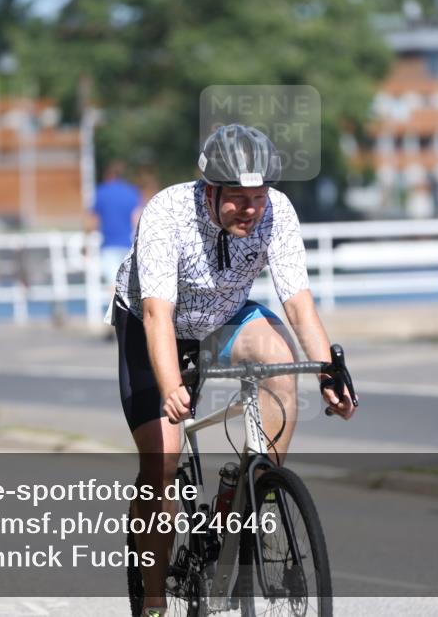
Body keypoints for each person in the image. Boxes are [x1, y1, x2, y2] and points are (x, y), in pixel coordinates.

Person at [110, 124, 356, 617]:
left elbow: (298, 303)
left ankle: (255, 495)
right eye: (238, 198)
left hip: (225, 317)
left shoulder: (277, 213)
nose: (250, 208)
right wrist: (170, 384)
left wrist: (329, 374)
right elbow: (159, 313)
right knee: (162, 464)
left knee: (281, 361)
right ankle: (155, 598)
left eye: (259, 196)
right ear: (208, 189)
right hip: (153, 324)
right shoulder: (168, 214)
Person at [89, 161, 141, 287]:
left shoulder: (101, 192)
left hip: (108, 244)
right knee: (128, 284)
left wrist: (87, 241)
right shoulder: (132, 192)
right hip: (128, 244)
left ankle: (116, 307)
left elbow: (92, 221)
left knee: (113, 285)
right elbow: (137, 219)